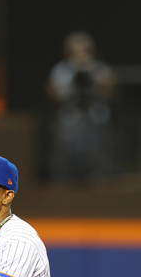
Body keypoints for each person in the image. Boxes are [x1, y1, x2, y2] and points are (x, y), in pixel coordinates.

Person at [46, 32, 115, 181]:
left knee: (98, 159)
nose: (80, 54)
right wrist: (71, 86)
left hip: (96, 118)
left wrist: (94, 81)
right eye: (76, 51)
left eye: (85, 50)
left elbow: (110, 91)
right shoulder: (62, 70)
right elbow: (53, 94)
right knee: (65, 159)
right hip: (70, 118)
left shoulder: (99, 69)